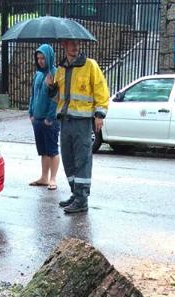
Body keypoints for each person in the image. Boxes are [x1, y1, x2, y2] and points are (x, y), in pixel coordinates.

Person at [47, 39, 109, 214]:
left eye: (77, 44)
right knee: (68, 159)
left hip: (82, 121)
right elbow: (57, 98)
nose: (75, 47)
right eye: (71, 44)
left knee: (82, 159)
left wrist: (99, 114)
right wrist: (50, 87)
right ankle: (76, 193)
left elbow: (101, 90)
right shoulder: (60, 69)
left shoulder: (90, 65)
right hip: (65, 120)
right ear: (64, 46)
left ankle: (82, 199)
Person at [28, 44, 60, 191]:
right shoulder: (38, 74)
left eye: (43, 58)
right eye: (38, 58)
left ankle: (53, 179)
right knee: (43, 150)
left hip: (49, 121)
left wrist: (50, 117)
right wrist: (31, 113)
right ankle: (43, 177)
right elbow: (33, 95)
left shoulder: (55, 73)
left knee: (52, 150)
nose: (40, 61)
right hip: (37, 119)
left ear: (49, 57)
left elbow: (56, 99)